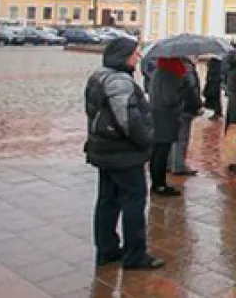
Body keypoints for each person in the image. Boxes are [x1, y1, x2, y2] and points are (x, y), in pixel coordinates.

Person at [84, 37, 164, 270]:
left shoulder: (99, 76)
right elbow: (128, 121)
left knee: (107, 201)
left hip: (105, 150)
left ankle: (107, 249)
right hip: (123, 153)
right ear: (122, 56)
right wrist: (147, 140)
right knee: (133, 202)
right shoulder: (119, 82)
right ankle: (134, 255)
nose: (137, 57)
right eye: (134, 53)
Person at [148, 57, 186, 197]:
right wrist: (182, 92)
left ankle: (157, 182)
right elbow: (170, 99)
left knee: (157, 151)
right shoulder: (169, 75)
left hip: (157, 116)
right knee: (161, 152)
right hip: (165, 118)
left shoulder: (157, 72)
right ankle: (160, 185)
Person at [168, 57, 202, 177]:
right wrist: (198, 105)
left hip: (173, 107)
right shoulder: (187, 68)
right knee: (182, 138)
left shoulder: (169, 67)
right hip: (185, 107)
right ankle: (178, 165)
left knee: (173, 137)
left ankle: (170, 163)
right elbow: (192, 89)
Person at [203, 55, 224, 121]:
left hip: (213, 82)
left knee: (215, 97)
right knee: (217, 97)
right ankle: (218, 112)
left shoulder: (214, 63)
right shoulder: (219, 62)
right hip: (216, 81)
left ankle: (217, 113)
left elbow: (211, 73)